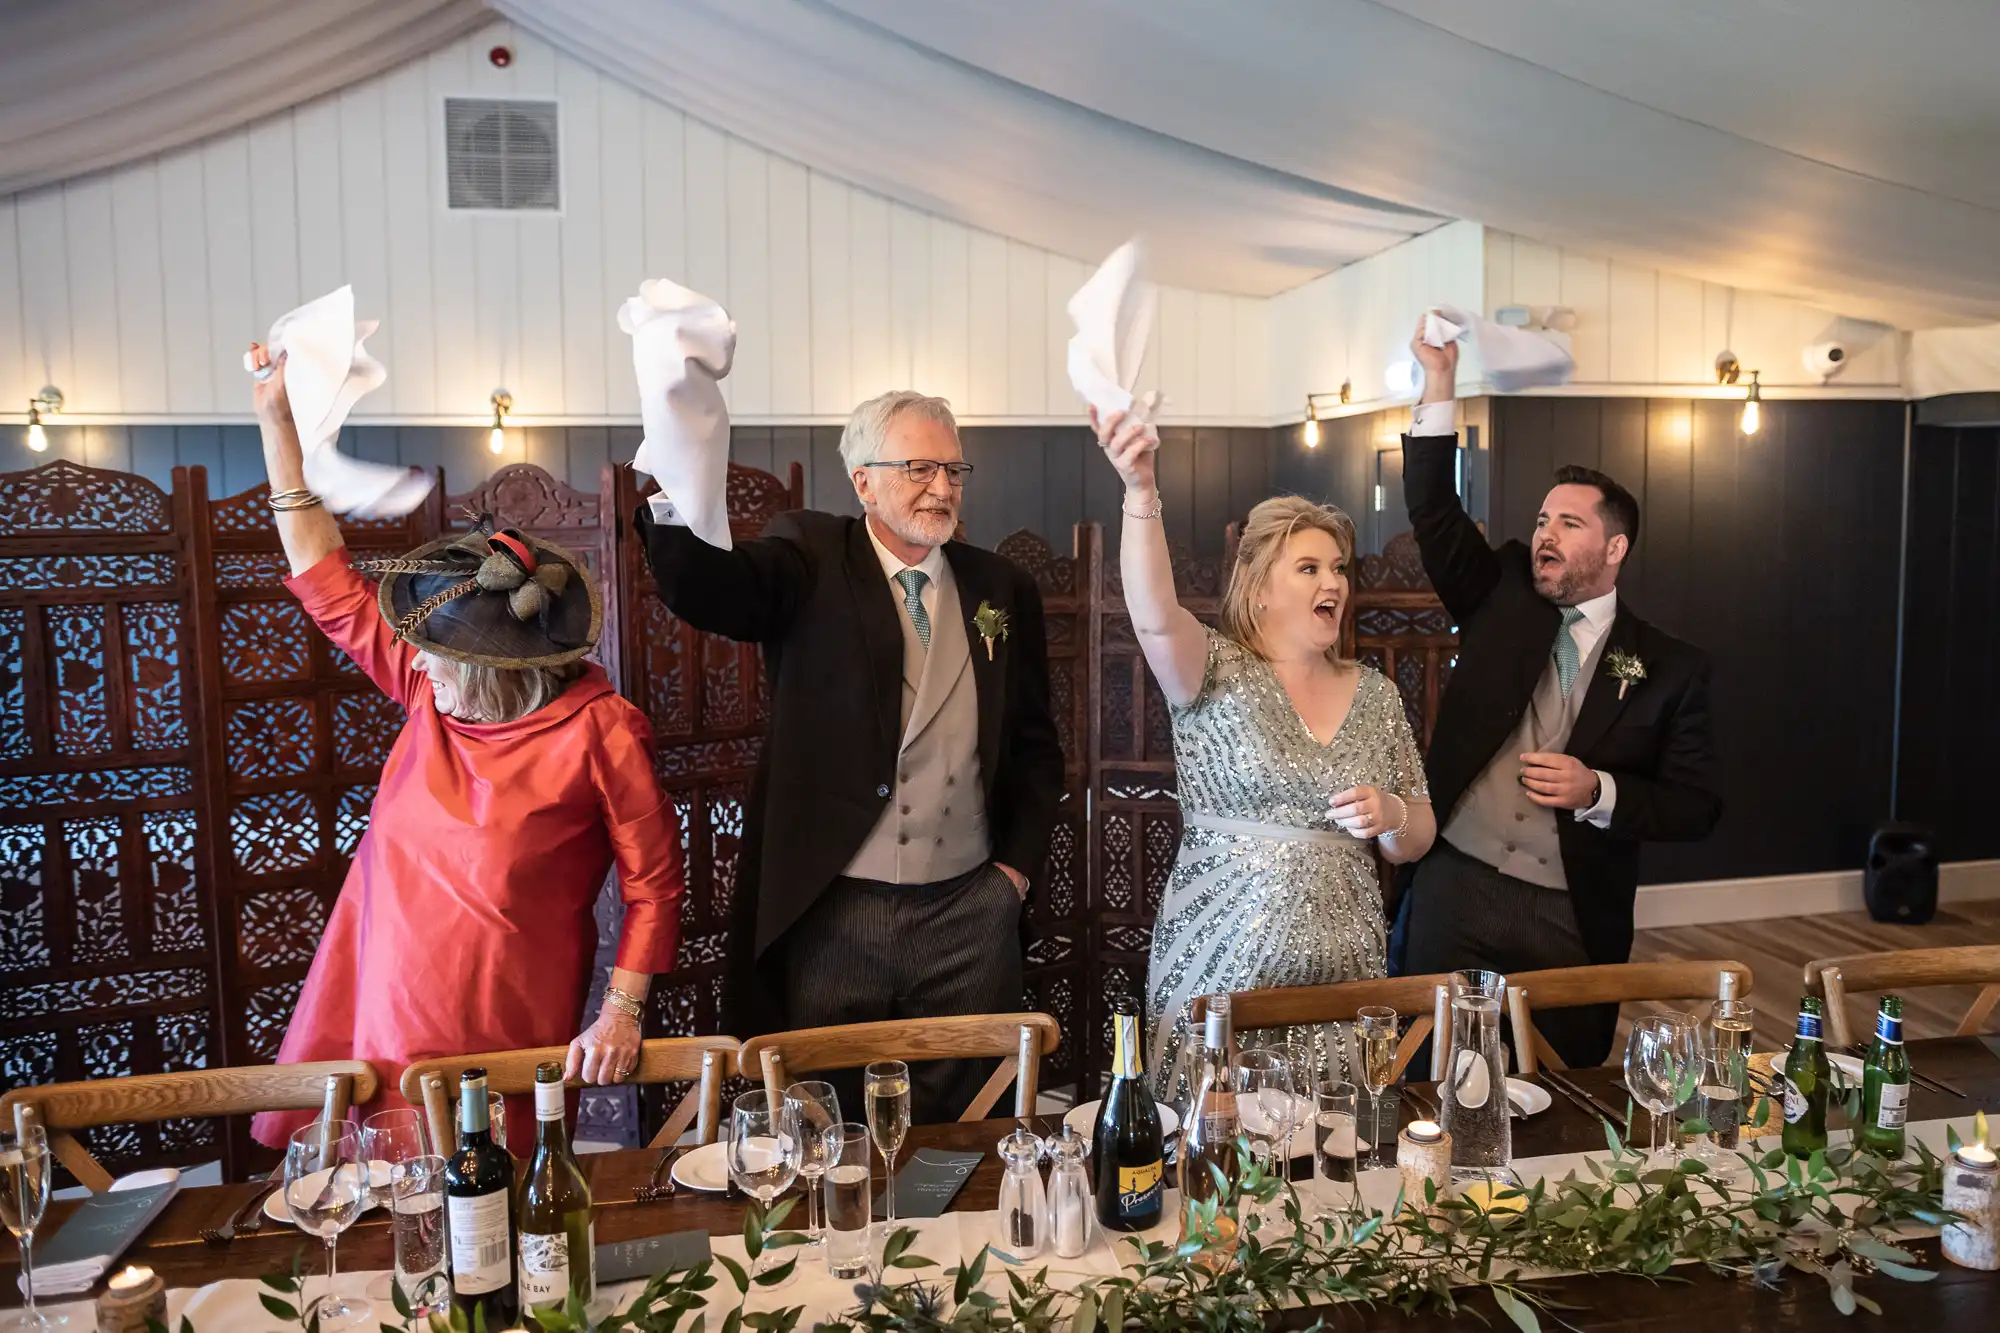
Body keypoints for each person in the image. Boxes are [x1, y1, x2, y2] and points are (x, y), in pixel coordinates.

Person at [244, 344, 685, 1153]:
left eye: (438, 656)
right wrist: (277, 421)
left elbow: (654, 886)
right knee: (380, 1190)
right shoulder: (427, 692)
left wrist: (620, 1009)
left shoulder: (600, 730)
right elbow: (322, 573)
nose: (414, 661)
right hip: (383, 997)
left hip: (507, 1008)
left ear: (494, 668)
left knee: (489, 1197)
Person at [635, 390, 1064, 1123]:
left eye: (954, 470)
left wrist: (1011, 878)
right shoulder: (809, 555)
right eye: (919, 468)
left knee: (966, 1124)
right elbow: (711, 588)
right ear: (863, 481)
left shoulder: (1001, 588)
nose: (942, 488)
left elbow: (1034, 745)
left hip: (969, 908)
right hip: (836, 910)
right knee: (825, 1122)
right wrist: (677, 481)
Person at [1391, 319, 1722, 1068]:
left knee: (1562, 1095)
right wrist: (1438, 382)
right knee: (1422, 1076)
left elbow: (1696, 806)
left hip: (1569, 908)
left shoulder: (1670, 667)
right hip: (1456, 884)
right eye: (1541, 518)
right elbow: (1434, 511)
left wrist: (1598, 789)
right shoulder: (1500, 592)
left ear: (1614, 549)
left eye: (1568, 523)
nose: (1544, 532)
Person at [1090, 408, 1437, 1101]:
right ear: (1259, 585)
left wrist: (1392, 810)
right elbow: (1154, 611)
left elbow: (1417, 837)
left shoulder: (1373, 693)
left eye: (1337, 567)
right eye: (1308, 567)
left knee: (1332, 1166)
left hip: (1344, 978)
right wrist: (1140, 490)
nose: (1332, 583)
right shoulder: (1213, 670)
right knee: (1211, 1157)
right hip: (1220, 969)